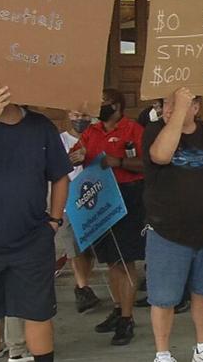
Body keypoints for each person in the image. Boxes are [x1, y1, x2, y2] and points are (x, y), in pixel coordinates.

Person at [0, 81, 72, 362]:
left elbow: (60, 175)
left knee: (38, 313)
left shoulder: (40, 126)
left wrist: (54, 220)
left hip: (30, 239)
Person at [142, 88, 203, 362]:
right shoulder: (154, 131)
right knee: (164, 297)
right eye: (165, 103)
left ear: (196, 107)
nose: (168, 109)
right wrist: (177, 112)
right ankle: (162, 353)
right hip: (167, 230)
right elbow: (162, 156)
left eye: (175, 103)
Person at [74, 88, 146, 346]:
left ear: (116, 106)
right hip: (100, 199)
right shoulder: (91, 132)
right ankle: (118, 309)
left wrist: (121, 162)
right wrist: (76, 156)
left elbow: (150, 162)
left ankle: (127, 319)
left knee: (124, 260)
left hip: (127, 196)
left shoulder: (133, 129)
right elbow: (73, 154)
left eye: (103, 103)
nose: (99, 107)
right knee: (111, 260)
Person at [58, 109, 102, 312]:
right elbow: (53, 169)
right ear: (68, 115)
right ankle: (83, 287)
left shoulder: (95, 137)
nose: (80, 120)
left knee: (90, 247)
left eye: (85, 116)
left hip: (95, 197)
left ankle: (83, 286)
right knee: (73, 246)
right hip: (70, 199)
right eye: (76, 115)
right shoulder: (60, 140)